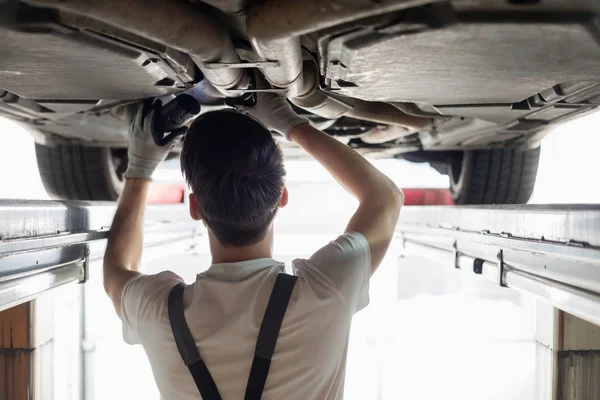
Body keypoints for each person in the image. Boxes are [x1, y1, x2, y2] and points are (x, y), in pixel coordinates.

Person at [103, 90, 404, 399]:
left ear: (195, 208)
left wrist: (290, 124)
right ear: (282, 197)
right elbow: (385, 199)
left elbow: (117, 271)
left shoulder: (325, 293)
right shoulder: (160, 314)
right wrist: (139, 169)